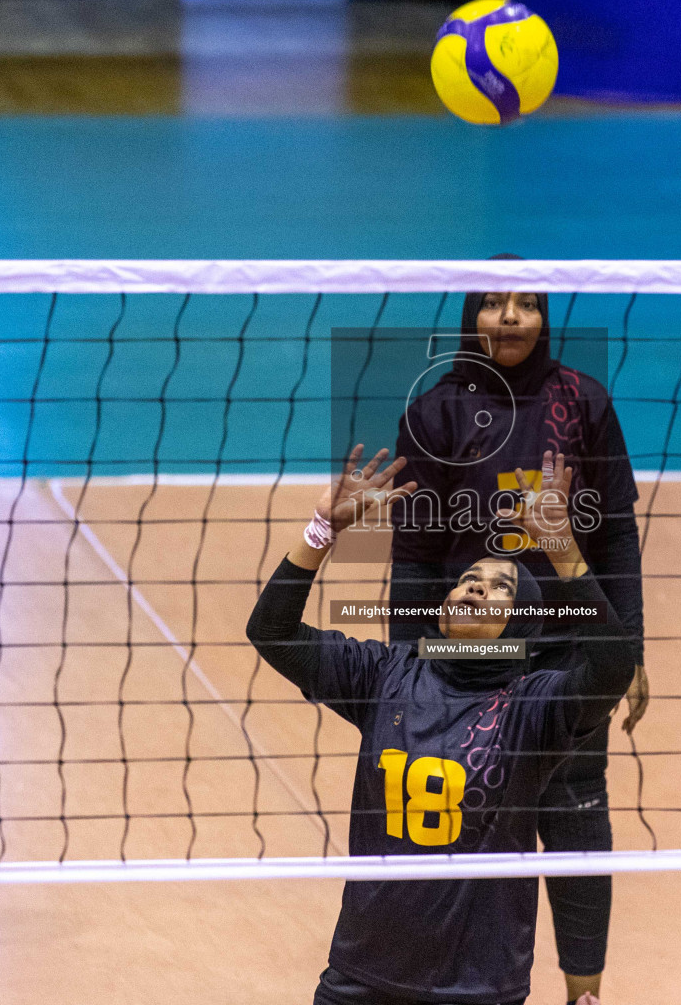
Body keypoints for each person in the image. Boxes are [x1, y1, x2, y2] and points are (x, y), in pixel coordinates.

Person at [247, 445, 638, 1005]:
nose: (476, 586)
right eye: (469, 579)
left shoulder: (535, 709)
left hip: (476, 988)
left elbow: (612, 666)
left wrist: (562, 549)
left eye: (501, 587)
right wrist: (320, 531)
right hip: (363, 976)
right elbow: (273, 632)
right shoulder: (386, 675)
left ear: (521, 627)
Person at [388, 263, 644, 1005]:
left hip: (566, 655)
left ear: (544, 316)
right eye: (494, 303)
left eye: (526, 304)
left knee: (574, 820)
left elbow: (617, 540)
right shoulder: (436, 413)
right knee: (463, 834)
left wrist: (628, 649)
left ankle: (583, 994)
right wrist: (408, 667)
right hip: (467, 659)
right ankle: (453, 984)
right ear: (471, 313)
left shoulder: (581, 403)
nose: (509, 318)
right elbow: (414, 556)